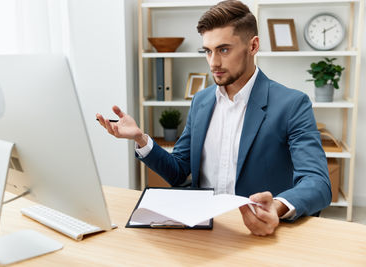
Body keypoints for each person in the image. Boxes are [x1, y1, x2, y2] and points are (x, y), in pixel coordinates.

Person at [96, 0, 331, 236]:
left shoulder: (292, 104)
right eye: (208, 51)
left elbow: (317, 182)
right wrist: (141, 139)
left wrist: (277, 208)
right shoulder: (201, 101)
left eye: (224, 49)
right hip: (203, 230)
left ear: (253, 45)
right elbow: (178, 172)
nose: (213, 62)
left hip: (256, 233)